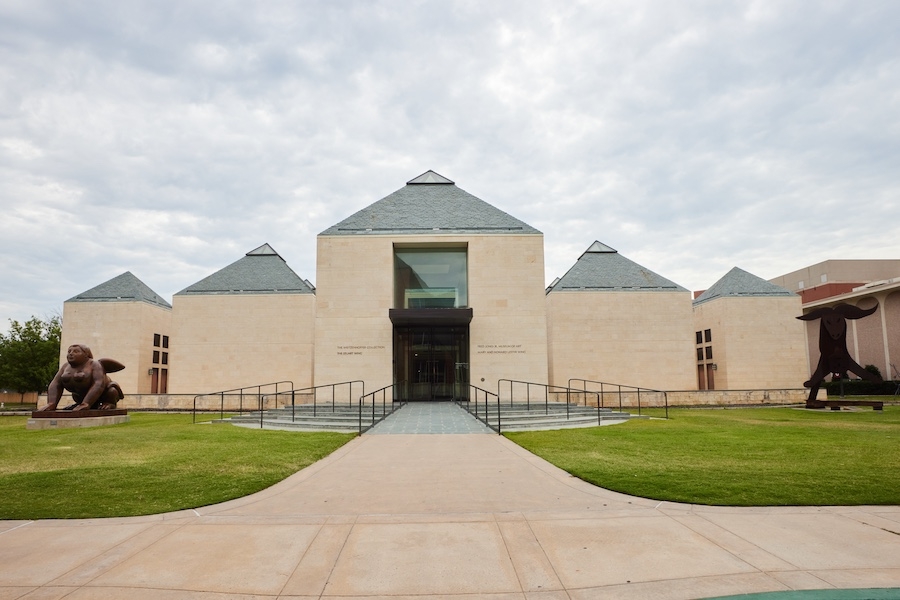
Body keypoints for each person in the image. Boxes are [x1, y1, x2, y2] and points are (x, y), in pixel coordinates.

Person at [38, 344, 123, 411]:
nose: (71, 353)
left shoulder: (94, 364)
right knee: (76, 395)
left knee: (112, 391)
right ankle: (80, 404)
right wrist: (52, 403)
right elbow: (55, 383)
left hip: (103, 395)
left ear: (86, 354)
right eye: (69, 351)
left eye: (76, 351)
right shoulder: (65, 366)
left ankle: (109, 403)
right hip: (79, 396)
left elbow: (98, 384)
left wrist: (86, 403)